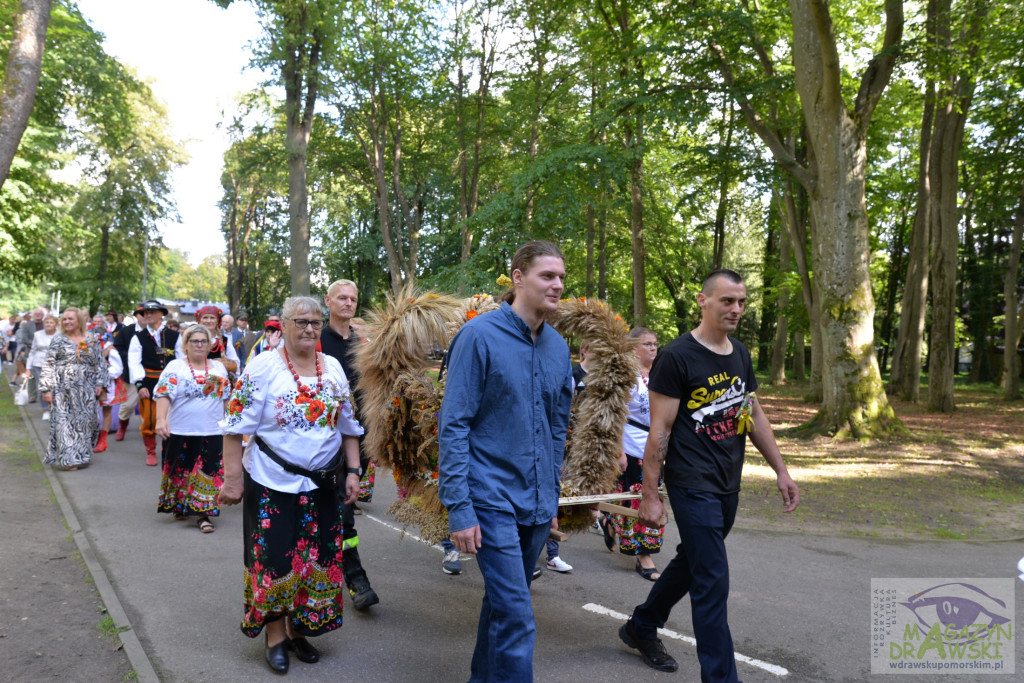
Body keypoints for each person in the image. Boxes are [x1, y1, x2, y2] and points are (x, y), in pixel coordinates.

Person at [618, 269, 800, 679]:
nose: (736, 309)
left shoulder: (740, 353)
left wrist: (782, 471)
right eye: (727, 301)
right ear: (704, 300)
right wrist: (650, 494)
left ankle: (641, 626)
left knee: (694, 562)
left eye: (741, 302)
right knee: (712, 581)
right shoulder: (678, 356)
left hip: (727, 483)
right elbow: (659, 431)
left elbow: (752, 414)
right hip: (690, 482)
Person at [438, 240, 574, 682]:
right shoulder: (478, 336)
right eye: (546, 276)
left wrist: (551, 494)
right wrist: (459, 507)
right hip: (489, 496)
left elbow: (557, 429)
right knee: (517, 615)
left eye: (561, 277)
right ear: (518, 277)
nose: (557, 285)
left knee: (501, 605)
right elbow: (454, 425)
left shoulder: (557, 348)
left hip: (535, 503)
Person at [217, 296, 364, 675]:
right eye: (300, 321)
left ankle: (301, 629)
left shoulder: (331, 367)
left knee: (316, 558)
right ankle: (276, 636)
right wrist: (232, 480)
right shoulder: (263, 367)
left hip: (323, 485)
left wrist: (353, 471)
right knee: (275, 559)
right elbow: (234, 429)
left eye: (315, 322)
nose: (309, 329)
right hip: (271, 482)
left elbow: (348, 425)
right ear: (282, 325)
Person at [320, 278, 380, 610]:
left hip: (358, 439)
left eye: (353, 299)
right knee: (340, 513)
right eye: (341, 297)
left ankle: (337, 571)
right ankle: (355, 578)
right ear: (327, 301)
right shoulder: (314, 341)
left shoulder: (364, 344)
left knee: (340, 508)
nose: (347, 303)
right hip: (320, 442)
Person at [154, 324, 230, 533]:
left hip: (212, 431)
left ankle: (202, 514)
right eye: (194, 341)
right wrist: (161, 419)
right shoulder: (175, 367)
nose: (199, 345)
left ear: (209, 345)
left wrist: (230, 426)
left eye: (203, 341)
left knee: (207, 472)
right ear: (185, 345)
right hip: (180, 429)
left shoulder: (218, 368)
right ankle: (181, 505)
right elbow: (163, 394)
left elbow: (225, 399)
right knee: (180, 471)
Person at [606, 327, 664, 580]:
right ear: (633, 348)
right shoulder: (626, 377)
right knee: (638, 501)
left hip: (657, 449)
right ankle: (644, 557)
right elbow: (614, 416)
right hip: (631, 448)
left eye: (655, 343)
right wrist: (619, 451)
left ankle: (609, 521)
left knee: (655, 498)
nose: (653, 347)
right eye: (647, 344)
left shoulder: (662, 374)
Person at [39, 307, 106, 471]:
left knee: (87, 422)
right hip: (63, 388)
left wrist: (100, 383)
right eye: (65, 319)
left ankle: (82, 454)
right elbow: (49, 364)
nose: (67, 322)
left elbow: (100, 362)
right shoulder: (58, 340)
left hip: (87, 388)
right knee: (65, 422)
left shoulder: (91, 339)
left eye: (71, 319)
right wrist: (46, 389)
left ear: (79, 321)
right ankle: (70, 459)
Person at [128, 300, 180, 466]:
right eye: (145, 313)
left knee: (173, 418)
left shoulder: (175, 336)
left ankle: (170, 451)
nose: (148, 315)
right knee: (150, 419)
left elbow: (180, 359)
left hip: (171, 381)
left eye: (152, 312)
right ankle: (150, 451)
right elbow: (134, 362)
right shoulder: (138, 338)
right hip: (148, 382)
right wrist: (139, 385)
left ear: (161, 314)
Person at [175, 306, 239, 375]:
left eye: (212, 318)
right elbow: (181, 359)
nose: (208, 321)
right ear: (199, 320)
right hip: (193, 376)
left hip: (217, 380)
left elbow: (235, 363)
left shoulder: (224, 341)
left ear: (217, 321)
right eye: (205, 317)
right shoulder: (190, 338)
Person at [112, 306, 144, 441]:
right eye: (142, 314)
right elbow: (117, 348)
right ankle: (122, 426)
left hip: (153, 374)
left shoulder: (158, 333)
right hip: (131, 374)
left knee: (150, 406)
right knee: (128, 405)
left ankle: (148, 434)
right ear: (136, 315)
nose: (145, 316)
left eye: (149, 313)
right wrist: (132, 357)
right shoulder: (126, 331)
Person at [26, 314, 58, 419]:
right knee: (43, 388)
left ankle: (55, 408)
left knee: (55, 387)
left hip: (55, 364)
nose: (48, 324)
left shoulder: (61, 335)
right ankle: (45, 410)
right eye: (47, 322)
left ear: (56, 324)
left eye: (51, 322)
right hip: (39, 364)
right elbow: (32, 351)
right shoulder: (38, 334)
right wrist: (28, 367)